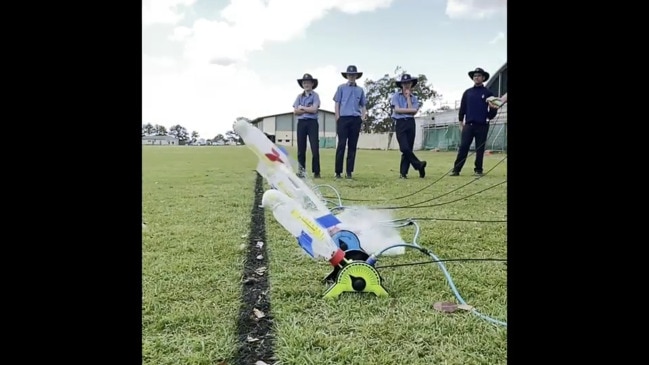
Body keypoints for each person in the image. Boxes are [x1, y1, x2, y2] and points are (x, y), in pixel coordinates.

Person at [450, 67, 500, 176]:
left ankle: (478, 170)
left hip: (482, 125)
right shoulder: (468, 93)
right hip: (469, 125)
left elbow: (493, 111)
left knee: (480, 148)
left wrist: (492, 110)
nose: (476, 77)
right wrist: (460, 122)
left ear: (483, 78)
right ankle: (456, 169)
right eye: (475, 76)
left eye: (479, 76)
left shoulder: (488, 93)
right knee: (463, 147)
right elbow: (462, 108)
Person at [333, 65, 368, 179]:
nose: (351, 76)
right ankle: (338, 172)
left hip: (355, 119)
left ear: (356, 76)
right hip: (343, 119)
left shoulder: (360, 90)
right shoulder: (341, 88)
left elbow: (363, 105)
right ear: (347, 76)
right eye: (349, 75)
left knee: (352, 146)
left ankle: (349, 172)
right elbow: (337, 103)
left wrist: (362, 116)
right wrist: (337, 117)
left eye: (353, 75)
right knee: (341, 145)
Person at [391, 73, 427, 179]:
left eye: (408, 82)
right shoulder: (396, 96)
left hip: (410, 123)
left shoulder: (414, 98)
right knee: (404, 147)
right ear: (401, 84)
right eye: (404, 83)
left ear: (411, 84)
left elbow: (413, 111)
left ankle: (403, 173)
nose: (406, 85)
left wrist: (408, 98)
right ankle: (418, 165)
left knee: (409, 148)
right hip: (400, 123)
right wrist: (408, 111)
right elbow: (396, 109)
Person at [292, 73, 321, 178]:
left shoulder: (315, 96)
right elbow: (295, 111)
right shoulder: (299, 96)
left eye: (308, 82)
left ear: (312, 84)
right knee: (301, 148)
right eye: (304, 83)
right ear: (302, 85)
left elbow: (314, 109)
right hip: (301, 123)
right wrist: (307, 109)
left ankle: (316, 171)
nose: (306, 84)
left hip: (312, 123)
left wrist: (302, 108)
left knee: (314, 147)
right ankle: (301, 171)